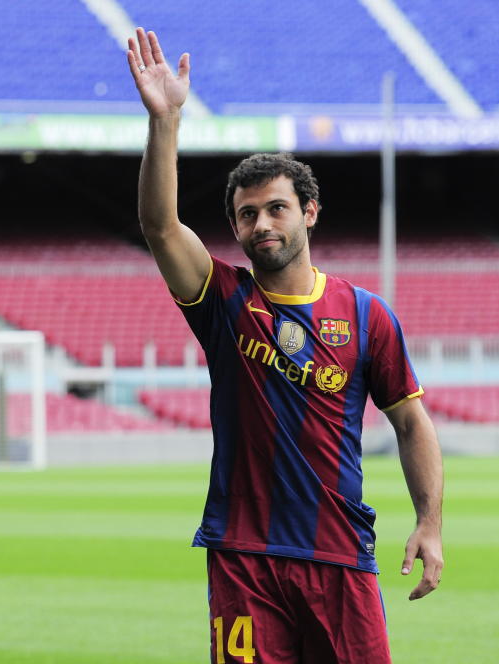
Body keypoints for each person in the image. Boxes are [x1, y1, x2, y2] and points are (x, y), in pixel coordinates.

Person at [127, 28, 444, 663]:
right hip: (244, 555)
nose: (261, 224)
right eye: (247, 215)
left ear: (310, 213)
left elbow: (411, 422)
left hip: (339, 556)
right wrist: (166, 122)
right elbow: (161, 226)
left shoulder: (365, 314)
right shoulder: (224, 302)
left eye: (276, 209)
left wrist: (429, 525)